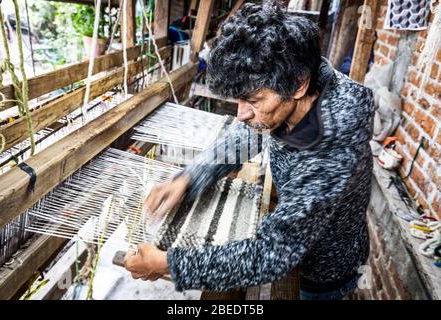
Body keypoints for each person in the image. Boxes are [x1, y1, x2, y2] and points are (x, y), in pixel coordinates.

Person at [124, 1, 375, 300]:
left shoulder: (332, 141)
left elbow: (272, 253)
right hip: (300, 232)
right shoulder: (292, 85)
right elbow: (248, 133)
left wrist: (167, 263)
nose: (241, 114)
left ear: (298, 85)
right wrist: (190, 177)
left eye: (253, 100)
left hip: (325, 269)